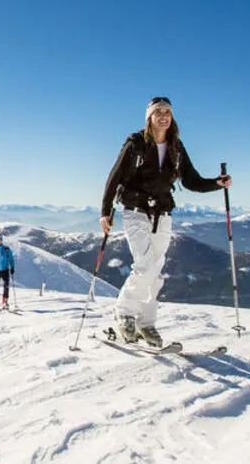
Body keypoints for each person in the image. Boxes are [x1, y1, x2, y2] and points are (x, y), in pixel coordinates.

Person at [99, 96, 232, 347]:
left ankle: (146, 323)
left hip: (163, 213)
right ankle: (124, 312)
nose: (164, 116)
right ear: (149, 117)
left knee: (156, 270)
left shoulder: (176, 147)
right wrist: (105, 212)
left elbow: (191, 180)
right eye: (158, 112)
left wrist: (216, 183)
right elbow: (114, 177)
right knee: (145, 264)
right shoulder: (135, 144)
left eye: (168, 112)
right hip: (135, 210)